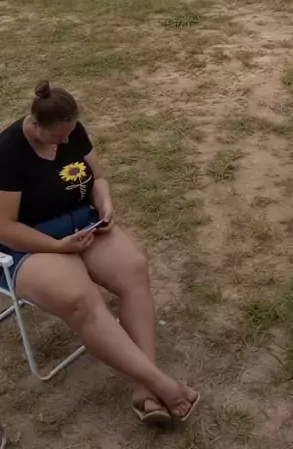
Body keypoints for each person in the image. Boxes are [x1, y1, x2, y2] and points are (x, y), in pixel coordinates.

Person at [0, 81, 200, 426]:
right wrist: (58, 247)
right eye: (58, 137)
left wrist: (105, 204)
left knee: (133, 268)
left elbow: (99, 178)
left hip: (82, 224)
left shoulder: (70, 131)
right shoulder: (8, 152)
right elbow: (5, 227)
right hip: (30, 242)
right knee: (80, 300)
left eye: (70, 134)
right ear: (35, 124)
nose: (66, 142)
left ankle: (145, 387)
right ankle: (160, 383)